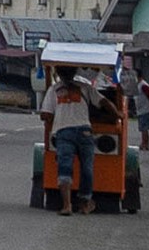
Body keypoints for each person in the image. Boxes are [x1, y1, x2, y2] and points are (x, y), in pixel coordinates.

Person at [41, 66, 106, 216]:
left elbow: (45, 114)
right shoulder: (85, 87)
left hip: (63, 132)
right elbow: (104, 103)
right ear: (75, 72)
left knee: (64, 168)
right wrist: (118, 114)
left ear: (57, 73)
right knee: (87, 167)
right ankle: (85, 203)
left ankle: (67, 206)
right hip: (84, 131)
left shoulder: (53, 89)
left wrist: (58, 115)